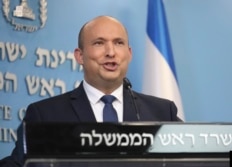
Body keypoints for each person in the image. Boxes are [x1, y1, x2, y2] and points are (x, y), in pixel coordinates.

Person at [0, 15, 181, 167]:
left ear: (129, 53)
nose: (111, 52)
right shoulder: (45, 115)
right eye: (99, 43)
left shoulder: (163, 113)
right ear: (80, 56)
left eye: (119, 43)